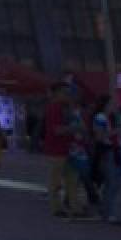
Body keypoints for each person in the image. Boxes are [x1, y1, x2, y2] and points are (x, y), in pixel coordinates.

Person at [44, 83, 83, 217]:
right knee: (56, 181)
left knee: (72, 180)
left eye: (68, 93)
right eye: (64, 93)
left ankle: (74, 206)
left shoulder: (65, 109)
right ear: (57, 93)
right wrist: (75, 128)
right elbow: (57, 130)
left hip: (67, 149)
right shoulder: (54, 108)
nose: (67, 96)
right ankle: (57, 207)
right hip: (56, 150)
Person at [92, 95, 121, 224]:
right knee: (112, 182)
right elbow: (99, 137)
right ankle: (109, 212)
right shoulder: (100, 117)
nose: (116, 106)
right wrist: (116, 131)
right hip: (107, 151)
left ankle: (106, 209)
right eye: (113, 104)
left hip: (114, 151)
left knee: (115, 183)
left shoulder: (110, 118)